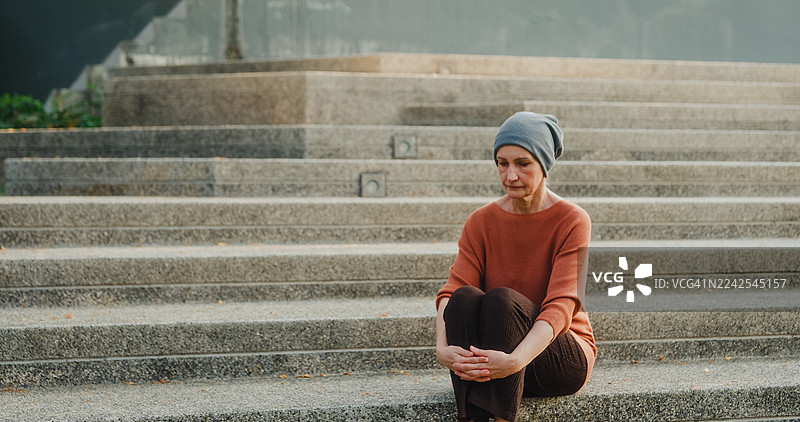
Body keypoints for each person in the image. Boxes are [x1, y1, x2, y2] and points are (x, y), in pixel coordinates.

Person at [435, 112, 595, 422]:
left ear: (544, 165)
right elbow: (452, 291)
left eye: (523, 164)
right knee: (465, 298)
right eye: (502, 163)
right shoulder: (481, 221)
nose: (510, 176)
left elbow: (563, 304)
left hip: (557, 358)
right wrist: (442, 349)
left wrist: (514, 361)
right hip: (493, 357)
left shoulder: (572, 220)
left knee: (502, 300)